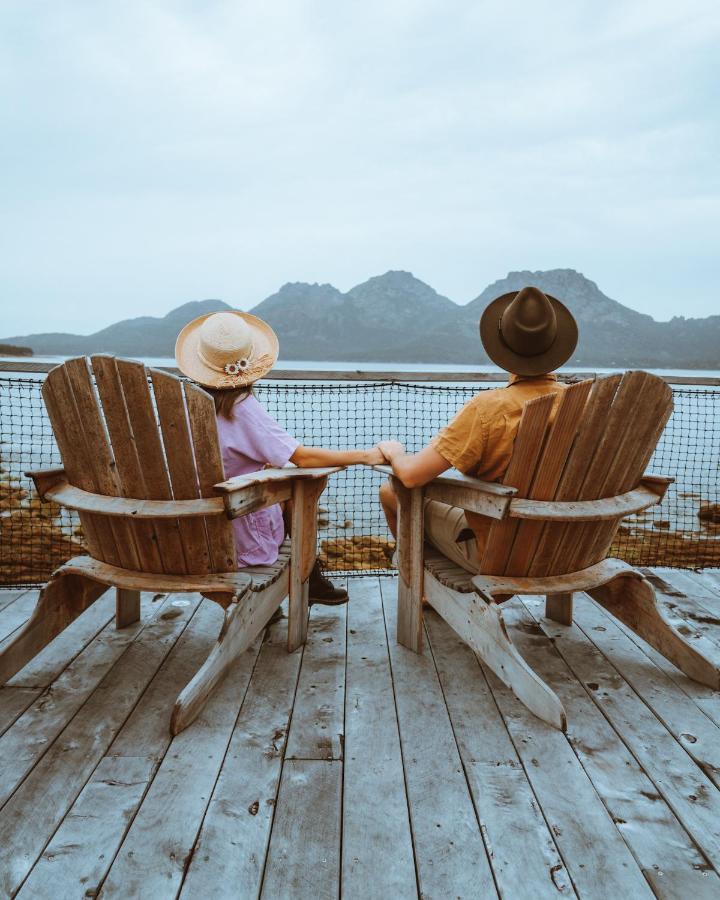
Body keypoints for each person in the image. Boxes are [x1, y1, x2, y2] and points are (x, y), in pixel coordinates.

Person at [175, 309, 384, 604]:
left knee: (276, 470)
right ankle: (308, 575)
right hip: (236, 543)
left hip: (186, 536)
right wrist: (364, 456)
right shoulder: (240, 407)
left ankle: (312, 578)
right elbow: (302, 458)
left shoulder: (183, 408)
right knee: (305, 485)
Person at [378, 285, 578, 573]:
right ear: (556, 345)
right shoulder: (581, 405)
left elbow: (411, 476)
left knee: (389, 491)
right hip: (566, 550)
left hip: (498, 555)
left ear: (502, 346)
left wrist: (395, 453)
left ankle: (420, 583)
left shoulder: (489, 409)